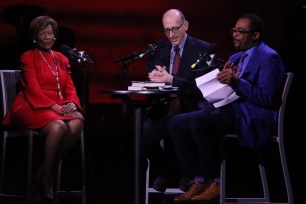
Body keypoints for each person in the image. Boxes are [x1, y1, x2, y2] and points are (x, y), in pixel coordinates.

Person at [168, 13, 286, 202]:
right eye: (234, 30)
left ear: (255, 35)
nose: (235, 35)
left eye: (241, 32)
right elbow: (233, 88)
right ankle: (198, 179)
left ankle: (217, 180)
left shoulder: (269, 58)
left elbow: (268, 98)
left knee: (201, 123)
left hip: (252, 116)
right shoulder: (236, 57)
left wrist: (237, 81)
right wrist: (222, 83)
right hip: (229, 109)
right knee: (176, 123)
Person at [1, 15, 84, 202]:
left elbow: (70, 87)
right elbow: (32, 89)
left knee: (78, 122)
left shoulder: (62, 58)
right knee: (58, 127)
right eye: (42, 34)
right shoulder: (28, 57)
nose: (47, 37)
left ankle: (40, 174)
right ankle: (47, 181)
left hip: (57, 107)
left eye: (50, 33)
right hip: (31, 105)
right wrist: (55, 106)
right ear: (35, 37)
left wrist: (71, 103)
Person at [144, 8, 217, 192]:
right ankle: (167, 170)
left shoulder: (203, 49)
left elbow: (202, 88)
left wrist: (171, 79)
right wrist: (154, 76)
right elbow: (157, 74)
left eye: (175, 29)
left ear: (186, 26)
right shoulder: (160, 48)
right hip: (165, 106)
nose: (171, 35)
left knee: (178, 127)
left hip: (191, 107)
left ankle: (187, 176)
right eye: (166, 30)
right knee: (142, 133)